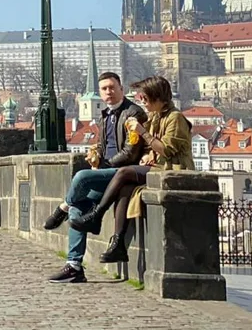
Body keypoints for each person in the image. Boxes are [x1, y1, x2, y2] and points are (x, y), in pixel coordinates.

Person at [68, 75, 194, 256]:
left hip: (173, 170)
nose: (142, 101)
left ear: (157, 96)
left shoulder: (175, 118)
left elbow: (166, 149)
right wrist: (147, 155)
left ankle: (96, 215)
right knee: (125, 189)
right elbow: (151, 147)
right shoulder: (156, 116)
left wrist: (141, 131)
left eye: (145, 97)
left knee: (123, 172)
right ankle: (118, 244)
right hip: (158, 167)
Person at [43, 71, 148, 284]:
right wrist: (96, 154)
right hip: (106, 173)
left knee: (81, 177)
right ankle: (74, 266)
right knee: (79, 207)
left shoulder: (133, 113)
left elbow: (130, 152)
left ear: (121, 88)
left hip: (123, 172)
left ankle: (62, 207)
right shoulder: (105, 114)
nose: (108, 92)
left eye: (112, 87)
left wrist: (104, 166)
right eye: (104, 89)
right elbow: (102, 144)